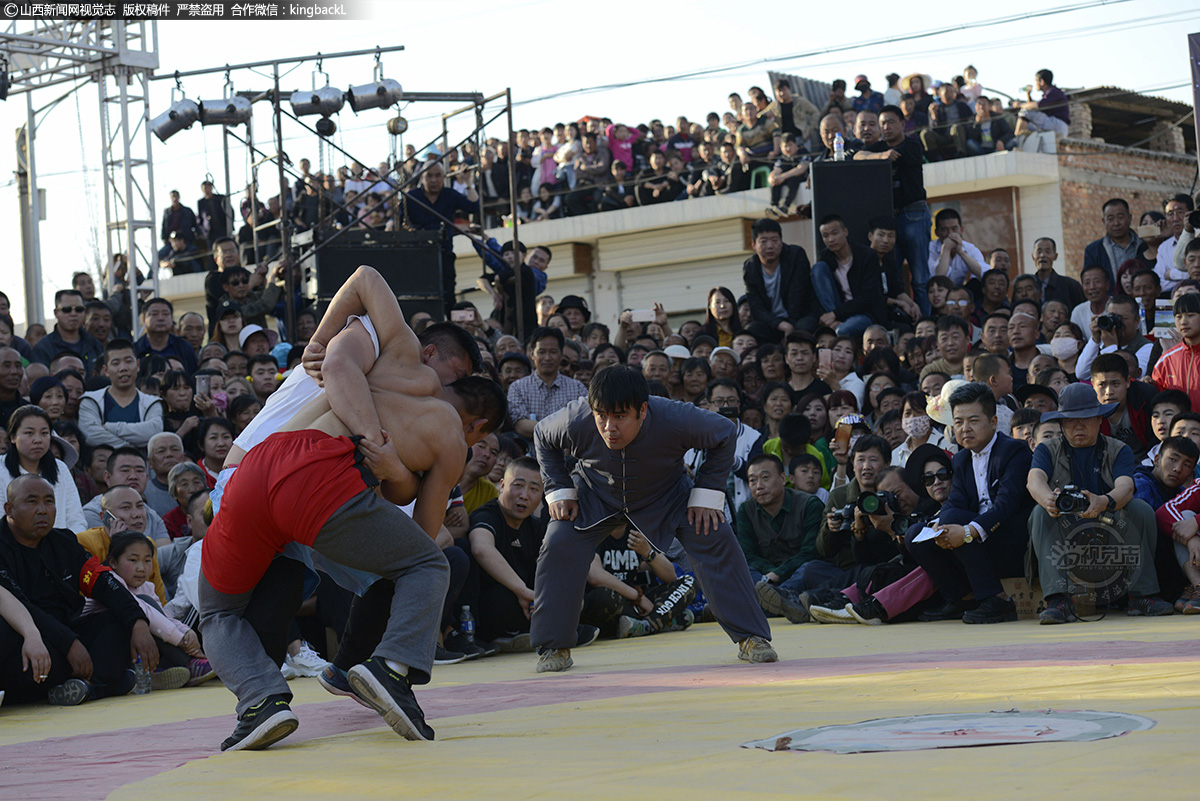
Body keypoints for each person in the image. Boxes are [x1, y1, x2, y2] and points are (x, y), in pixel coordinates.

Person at [199, 273, 503, 749]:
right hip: (318, 479)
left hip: (254, 471)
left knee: (219, 610)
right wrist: (382, 449)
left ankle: (261, 699)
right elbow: (421, 542)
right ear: (477, 423)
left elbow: (362, 283)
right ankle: (388, 668)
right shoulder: (435, 419)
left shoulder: (392, 355)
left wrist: (393, 467)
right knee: (424, 566)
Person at [531, 365, 775, 673]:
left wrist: (706, 492)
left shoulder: (675, 416)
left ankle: (752, 638)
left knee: (714, 533)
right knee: (559, 540)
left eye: (619, 416)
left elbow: (725, 434)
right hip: (595, 494)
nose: (609, 427)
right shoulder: (576, 418)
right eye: (601, 415)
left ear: (642, 410)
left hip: (667, 494)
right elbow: (542, 434)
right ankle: (553, 645)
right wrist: (558, 488)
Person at [0, 475, 158, 705]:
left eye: (49, 501)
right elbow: (20, 605)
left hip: (67, 629)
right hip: (26, 636)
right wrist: (69, 644)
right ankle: (106, 681)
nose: (43, 510)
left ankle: (89, 686)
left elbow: (103, 582)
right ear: (9, 509)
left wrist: (138, 622)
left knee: (118, 619)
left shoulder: (63, 542)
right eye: (32, 502)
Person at [1027, 383, 1173, 623]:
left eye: (1086, 418)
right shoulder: (1047, 449)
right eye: (1071, 420)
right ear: (1062, 424)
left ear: (1099, 420)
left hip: (1109, 525)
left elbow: (1126, 487)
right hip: (1063, 532)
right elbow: (1034, 480)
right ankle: (1058, 600)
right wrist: (1049, 501)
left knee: (1140, 508)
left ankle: (1142, 595)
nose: (1079, 425)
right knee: (1039, 513)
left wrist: (1103, 502)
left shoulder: (1119, 449)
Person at [907, 383, 1034, 623]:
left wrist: (967, 531)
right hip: (976, 541)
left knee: (954, 520)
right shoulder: (962, 458)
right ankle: (961, 598)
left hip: (1011, 539)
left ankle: (998, 600)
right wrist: (937, 526)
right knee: (916, 534)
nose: (964, 429)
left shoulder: (1014, 451)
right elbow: (955, 502)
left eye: (973, 421)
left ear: (993, 422)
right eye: (958, 422)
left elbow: (1006, 505)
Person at [82, 531, 213, 689]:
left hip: (129, 647)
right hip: (98, 646)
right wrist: (182, 640)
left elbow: (164, 616)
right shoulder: (110, 581)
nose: (141, 568)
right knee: (145, 611)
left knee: (153, 614)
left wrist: (186, 632)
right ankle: (189, 664)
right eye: (133, 560)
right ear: (113, 562)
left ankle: (156, 671)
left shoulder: (147, 587)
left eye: (147, 561)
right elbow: (144, 611)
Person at [854, 105, 932, 315]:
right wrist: (879, 157)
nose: (885, 127)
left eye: (890, 122)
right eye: (882, 124)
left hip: (914, 214)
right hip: (891, 220)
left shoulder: (913, 145)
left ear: (902, 123)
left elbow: (896, 156)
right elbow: (857, 156)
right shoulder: (880, 149)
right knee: (892, 277)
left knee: (920, 279)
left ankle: (926, 323)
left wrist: (885, 155)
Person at [738, 454, 824, 622]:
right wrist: (769, 576)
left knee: (811, 569)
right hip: (764, 578)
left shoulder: (809, 505)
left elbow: (811, 551)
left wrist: (778, 574)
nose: (759, 486)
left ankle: (744, 609)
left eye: (765, 478)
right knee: (743, 570)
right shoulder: (746, 511)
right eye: (753, 480)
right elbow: (748, 555)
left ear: (783, 479)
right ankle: (780, 603)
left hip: (797, 574)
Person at [403, 162, 479, 312]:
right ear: (422, 177)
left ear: (444, 177)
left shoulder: (449, 194)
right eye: (429, 175)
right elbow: (399, 221)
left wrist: (468, 182)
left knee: (448, 296)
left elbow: (474, 206)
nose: (433, 180)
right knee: (421, 297)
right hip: (419, 256)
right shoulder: (412, 197)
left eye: (438, 175)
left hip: (445, 253)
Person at [810, 215, 887, 340]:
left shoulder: (867, 256)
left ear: (845, 232)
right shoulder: (826, 257)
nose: (830, 239)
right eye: (825, 236)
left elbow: (868, 297)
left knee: (842, 331)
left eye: (834, 233)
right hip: (837, 311)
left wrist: (835, 314)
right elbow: (816, 294)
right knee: (818, 268)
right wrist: (830, 317)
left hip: (865, 313)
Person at [742, 218, 818, 342]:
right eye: (763, 241)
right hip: (774, 322)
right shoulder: (750, 267)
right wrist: (782, 325)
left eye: (774, 240)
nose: (770, 246)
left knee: (802, 330)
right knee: (752, 330)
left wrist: (790, 329)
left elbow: (797, 295)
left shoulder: (795, 255)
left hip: (800, 316)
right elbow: (756, 307)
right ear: (753, 245)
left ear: (781, 242)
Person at [78, 340, 164, 450]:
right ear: (106, 370)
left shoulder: (151, 402)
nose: (123, 368)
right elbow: (91, 435)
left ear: (138, 365)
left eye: (128, 361)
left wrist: (110, 427)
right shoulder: (91, 401)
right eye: (115, 363)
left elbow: (154, 432)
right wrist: (131, 448)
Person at [506, 326, 587, 441]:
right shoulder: (518, 387)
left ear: (561, 354)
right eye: (542, 352)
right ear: (532, 353)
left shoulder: (577, 388)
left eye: (553, 352)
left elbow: (584, 423)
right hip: (530, 455)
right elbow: (520, 425)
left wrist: (540, 428)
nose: (547, 358)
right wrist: (560, 430)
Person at [30, 290, 105, 375]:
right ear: (56, 313)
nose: (73, 314)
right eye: (67, 310)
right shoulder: (42, 349)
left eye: (79, 309)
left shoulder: (95, 345)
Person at [1152, 293, 1200, 412]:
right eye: (1178, 317)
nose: (1183, 321)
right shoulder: (1166, 360)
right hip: (1178, 428)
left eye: (1190, 315)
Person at [1083, 198, 1142, 287]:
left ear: (1130, 218)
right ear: (1104, 221)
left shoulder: (1144, 246)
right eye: (1110, 219)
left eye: (1120, 217)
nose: (1116, 223)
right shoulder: (1093, 250)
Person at [929, 209, 986, 287]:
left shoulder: (970, 248)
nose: (950, 234)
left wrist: (961, 252)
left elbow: (983, 274)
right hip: (938, 294)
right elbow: (938, 279)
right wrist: (946, 249)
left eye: (954, 229)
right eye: (944, 230)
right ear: (937, 232)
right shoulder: (930, 249)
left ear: (961, 230)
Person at [1014, 68, 1070, 138]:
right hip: (1056, 126)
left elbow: (1037, 106)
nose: (1035, 83)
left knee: (1025, 111)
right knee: (1028, 125)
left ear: (1042, 81)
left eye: (1036, 81)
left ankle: (1016, 139)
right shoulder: (1050, 93)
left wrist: (1020, 105)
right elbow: (1035, 109)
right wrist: (1028, 94)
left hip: (1057, 125)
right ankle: (1022, 141)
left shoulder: (1053, 92)